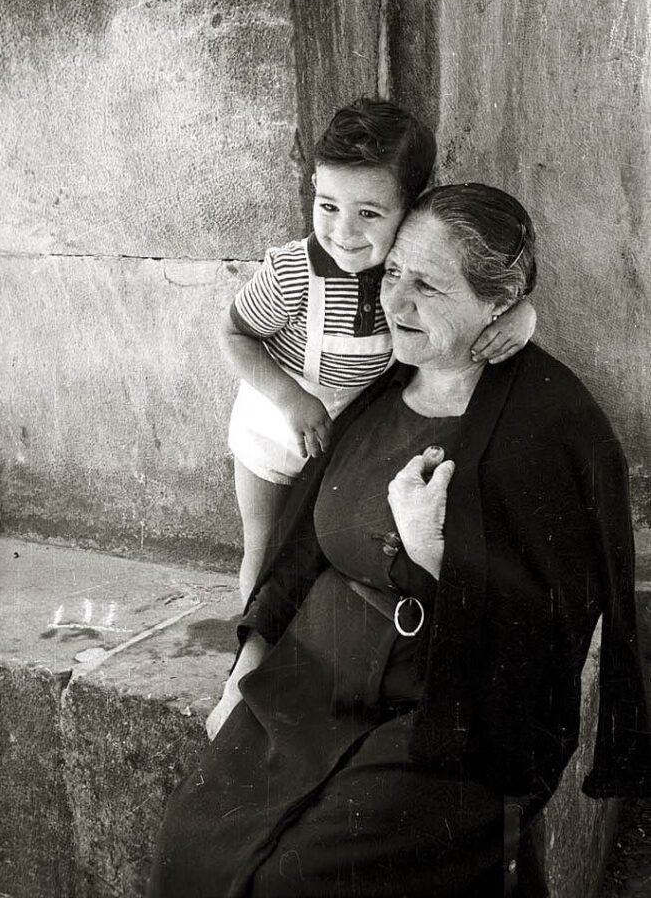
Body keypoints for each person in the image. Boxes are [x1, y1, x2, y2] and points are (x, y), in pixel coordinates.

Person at [148, 184, 651, 898]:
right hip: (309, 687)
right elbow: (300, 551)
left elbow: (555, 638)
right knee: (189, 846)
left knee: (301, 884)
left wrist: (442, 554)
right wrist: (243, 670)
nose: (396, 302)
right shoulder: (382, 385)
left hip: (443, 720)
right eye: (393, 275)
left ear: (499, 304)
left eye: (428, 286)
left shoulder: (551, 428)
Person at [222, 99, 536, 604]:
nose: (344, 233)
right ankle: (251, 663)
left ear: (407, 210)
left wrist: (522, 313)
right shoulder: (292, 272)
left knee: (325, 547)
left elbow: (484, 288)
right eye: (327, 206)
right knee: (266, 552)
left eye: (368, 213)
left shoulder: (405, 264)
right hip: (274, 430)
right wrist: (291, 401)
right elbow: (234, 336)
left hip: (349, 432)